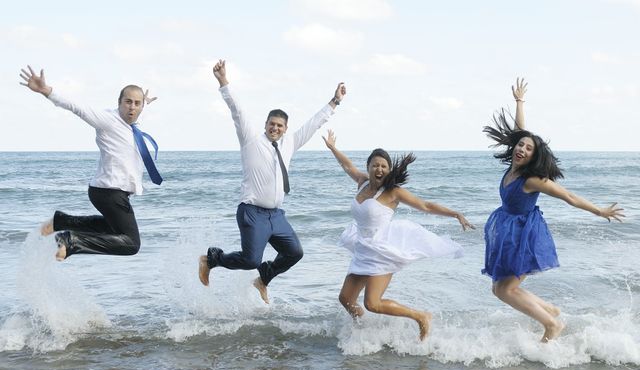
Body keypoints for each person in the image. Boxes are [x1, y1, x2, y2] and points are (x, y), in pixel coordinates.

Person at [482, 77, 624, 342]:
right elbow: (520, 131)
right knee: (499, 289)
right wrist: (520, 102)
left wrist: (599, 211)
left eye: (529, 148)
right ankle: (550, 310)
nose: (523, 148)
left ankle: (551, 324)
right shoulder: (513, 166)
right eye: (520, 145)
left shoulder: (531, 180)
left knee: (505, 290)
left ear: (534, 156)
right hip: (507, 231)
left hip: (523, 235)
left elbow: (568, 196)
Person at [198, 59, 346, 304]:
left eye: (279, 126)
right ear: (265, 125)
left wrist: (335, 101)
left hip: (275, 216)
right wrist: (224, 81)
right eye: (271, 124)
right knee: (250, 260)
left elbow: (314, 123)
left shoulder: (290, 143)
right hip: (252, 211)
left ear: (286, 128)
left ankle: (263, 279)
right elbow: (237, 110)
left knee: (294, 252)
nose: (275, 128)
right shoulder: (251, 140)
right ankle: (212, 259)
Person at [323, 130, 474, 341]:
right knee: (346, 299)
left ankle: (421, 316)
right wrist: (332, 148)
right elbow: (347, 165)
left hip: (382, 250)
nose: (379, 169)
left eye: (384, 166)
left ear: (389, 170)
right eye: (375, 165)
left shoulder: (393, 192)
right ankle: (363, 329)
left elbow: (425, 205)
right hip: (362, 248)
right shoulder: (363, 182)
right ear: (368, 167)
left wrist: (455, 213)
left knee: (372, 303)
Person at [19, 65, 161, 261]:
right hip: (110, 192)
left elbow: (138, 112)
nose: (132, 107)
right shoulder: (108, 120)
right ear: (119, 103)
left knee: (111, 228)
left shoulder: (133, 122)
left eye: (137, 103)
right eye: (128, 102)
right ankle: (71, 242)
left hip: (106, 191)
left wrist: (146, 102)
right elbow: (78, 107)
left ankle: (61, 221)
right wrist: (47, 91)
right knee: (131, 244)